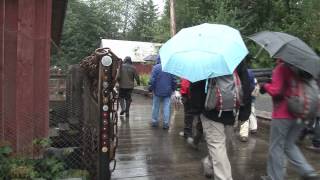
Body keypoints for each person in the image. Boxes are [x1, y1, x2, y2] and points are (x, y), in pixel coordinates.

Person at [190, 60, 252, 180]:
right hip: (229, 111)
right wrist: (245, 112)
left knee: (219, 146)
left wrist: (196, 110)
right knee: (219, 146)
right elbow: (245, 84)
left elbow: (196, 85)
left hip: (211, 110)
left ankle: (209, 162)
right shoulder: (235, 56)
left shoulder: (205, 58)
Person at [260, 59, 320, 180]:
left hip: (283, 114)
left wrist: (265, 86)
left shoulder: (281, 68)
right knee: (289, 145)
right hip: (301, 113)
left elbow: (276, 91)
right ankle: (308, 171)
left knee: (276, 147)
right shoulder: (304, 69)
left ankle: (274, 177)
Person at [148, 55, 176, 129]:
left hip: (157, 91)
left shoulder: (156, 67)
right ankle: (166, 123)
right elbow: (174, 80)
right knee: (166, 107)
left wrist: (151, 88)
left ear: (158, 60)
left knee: (155, 106)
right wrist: (173, 89)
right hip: (167, 91)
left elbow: (152, 80)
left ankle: (154, 122)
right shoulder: (170, 68)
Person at [179, 78, 203, 147]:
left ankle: (187, 133)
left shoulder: (189, 71)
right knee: (200, 116)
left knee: (188, 114)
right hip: (201, 97)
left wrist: (183, 94)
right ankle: (199, 135)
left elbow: (185, 85)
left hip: (189, 95)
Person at [239, 69, 259, 142]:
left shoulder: (240, 72)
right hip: (251, 95)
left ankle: (244, 134)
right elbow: (255, 84)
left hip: (244, 96)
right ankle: (254, 128)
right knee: (252, 111)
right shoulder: (250, 72)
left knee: (244, 114)